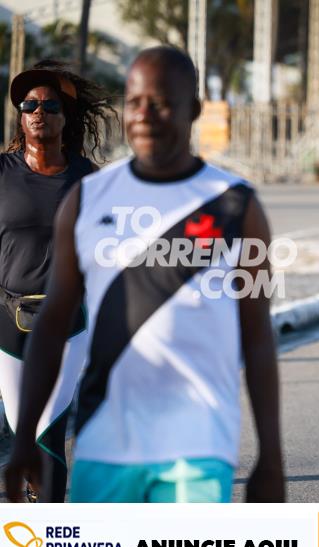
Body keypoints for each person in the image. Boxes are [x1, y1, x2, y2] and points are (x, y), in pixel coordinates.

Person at [5, 46, 285, 518]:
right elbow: (54, 320)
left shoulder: (237, 205)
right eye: (135, 102)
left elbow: (257, 333)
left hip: (198, 436)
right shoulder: (90, 198)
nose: (145, 115)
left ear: (193, 109)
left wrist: (271, 457)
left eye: (162, 102)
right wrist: (22, 439)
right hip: (102, 436)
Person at [0, 61, 116, 502]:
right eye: (29, 105)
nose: (39, 112)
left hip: (68, 322)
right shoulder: (2, 173)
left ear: (65, 118)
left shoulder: (91, 180)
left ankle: (51, 526)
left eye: (50, 106)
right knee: (22, 429)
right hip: (7, 320)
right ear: (20, 117)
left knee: (48, 428)